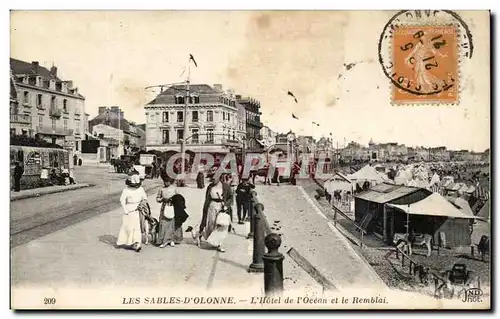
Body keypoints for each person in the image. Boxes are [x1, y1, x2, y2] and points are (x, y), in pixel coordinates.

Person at [195, 174, 232, 251]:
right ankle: (210, 239)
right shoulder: (210, 187)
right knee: (211, 223)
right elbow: (207, 198)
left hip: (221, 207)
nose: (213, 179)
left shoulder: (225, 186)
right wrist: (205, 208)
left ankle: (219, 244)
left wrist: (226, 205)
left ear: (219, 178)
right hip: (211, 206)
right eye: (212, 178)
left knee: (220, 225)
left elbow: (230, 197)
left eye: (214, 178)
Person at [116, 174, 148, 252]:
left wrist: (142, 204)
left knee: (137, 227)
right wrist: (125, 209)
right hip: (129, 209)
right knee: (128, 227)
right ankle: (129, 242)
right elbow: (122, 200)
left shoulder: (140, 189)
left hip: (138, 209)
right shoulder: (126, 190)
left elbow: (145, 198)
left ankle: (137, 243)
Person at [156, 174, 179, 248]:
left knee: (172, 223)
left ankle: (172, 240)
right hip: (164, 207)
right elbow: (158, 198)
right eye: (165, 181)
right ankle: (163, 240)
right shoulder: (161, 189)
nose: (166, 183)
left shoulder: (174, 189)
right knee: (163, 223)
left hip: (172, 207)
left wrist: (174, 200)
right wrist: (162, 199)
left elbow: (179, 197)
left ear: (170, 182)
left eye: (167, 181)